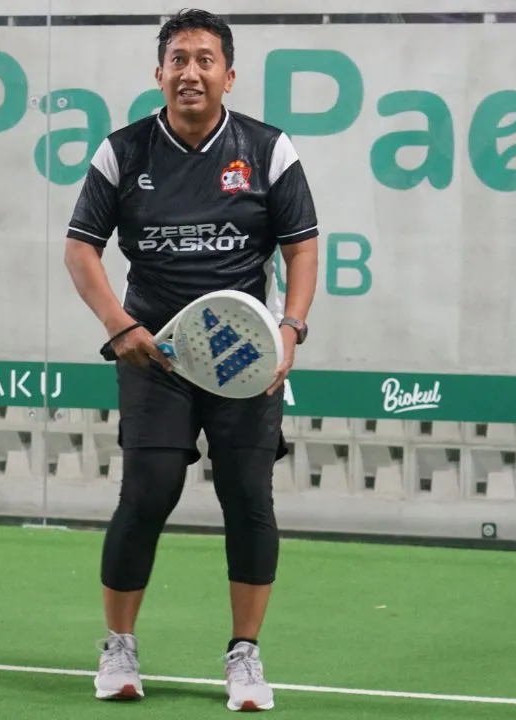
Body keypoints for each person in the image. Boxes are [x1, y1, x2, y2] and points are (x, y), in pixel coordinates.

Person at [64, 8, 318, 712]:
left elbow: (301, 246)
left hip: (244, 359)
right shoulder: (123, 152)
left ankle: (245, 655)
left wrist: (291, 328)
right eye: (178, 59)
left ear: (228, 76)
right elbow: (81, 249)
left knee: (248, 497)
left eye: (205, 60)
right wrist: (120, 326)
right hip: (156, 358)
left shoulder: (268, 149)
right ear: (159, 74)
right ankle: (119, 647)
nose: (191, 72)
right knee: (147, 492)